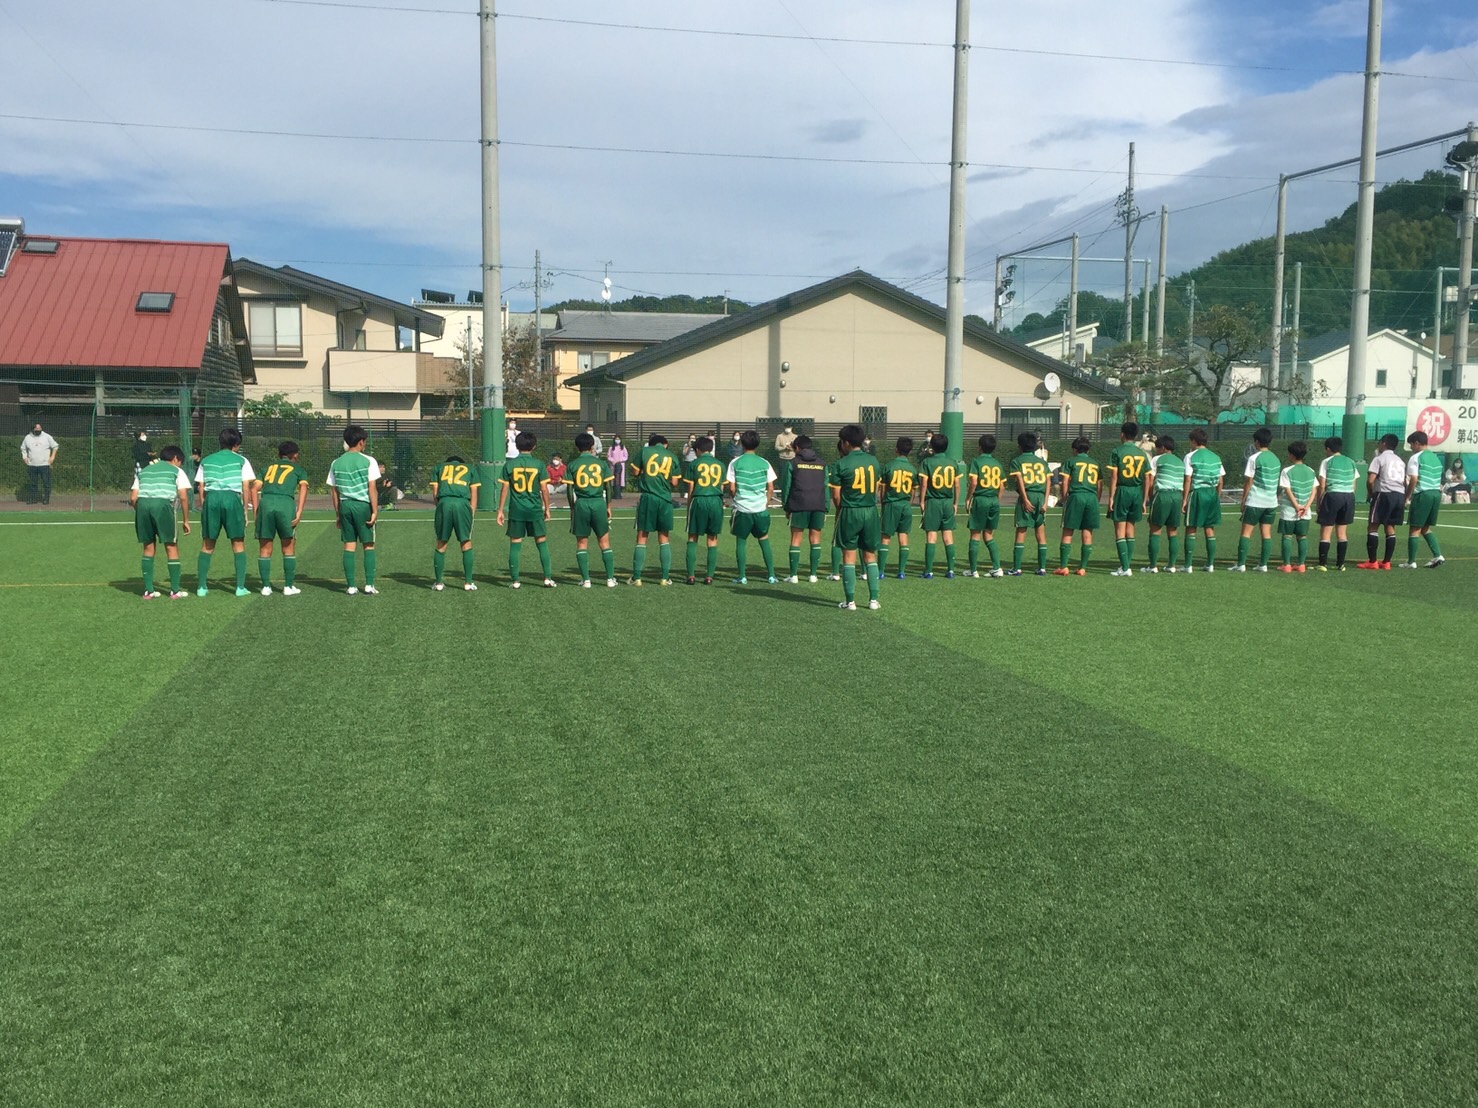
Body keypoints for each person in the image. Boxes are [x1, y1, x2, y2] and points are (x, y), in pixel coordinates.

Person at [194, 426, 256, 597]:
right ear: (236, 444)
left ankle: (201, 587)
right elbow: (245, 486)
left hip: (211, 499)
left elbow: (201, 486)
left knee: (207, 543)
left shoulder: (206, 460)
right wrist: (245, 509)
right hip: (231, 498)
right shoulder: (241, 460)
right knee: (238, 542)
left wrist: (205, 505)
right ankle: (240, 587)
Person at [827, 424, 883, 610]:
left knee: (849, 555)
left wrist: (841, 511)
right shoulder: (874, 461)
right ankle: (873, 600)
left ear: (846, 443)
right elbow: (876, 487)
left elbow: (836, 496)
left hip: (850, 511)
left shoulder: (840, 464)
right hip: (870, 510)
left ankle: (850, 601)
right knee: (870, 555)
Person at [130, 444, 192, 599]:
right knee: (171, 546)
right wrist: (186, 520)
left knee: (148, 547)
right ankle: (175, 591)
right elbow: (183, 496)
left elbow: (133, 498)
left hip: (143, 505)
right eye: (180, 462)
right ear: (176, 458)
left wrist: (142, 511)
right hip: (163, 505)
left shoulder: (144, 471)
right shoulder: (176, 471)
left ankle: (149, 591)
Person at [497, 430, 555, 588]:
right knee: (541, 542)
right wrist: (547, 508)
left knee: (515, 543)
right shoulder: (539, 464)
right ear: (534, 446)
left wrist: (500, 510)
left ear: (516, 446)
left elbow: (504, 489)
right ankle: (547, 578)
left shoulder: (510, 464)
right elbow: (544, 489)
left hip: (517, 509)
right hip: (534, 508)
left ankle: (515, 581)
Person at [327, 424, 381, 595]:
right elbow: (372, 487)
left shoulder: (336, 462)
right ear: (361, 442)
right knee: (368, 545)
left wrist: (338, 514)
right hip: (362, 505)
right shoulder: (369, 460)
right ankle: (369, 585)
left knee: (349, 546)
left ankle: (351, 586)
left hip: (345, 506)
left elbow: (334, 490)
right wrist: (374, 511)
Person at [253, 441, 309, 596]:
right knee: (288, 546)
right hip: (285, 504)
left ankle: (265, 587)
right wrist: (299, 511)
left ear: (279, 454)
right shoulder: (299, 469)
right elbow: (303, 487)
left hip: (266, 504)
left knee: (265, 548)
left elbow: (254, 488)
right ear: (295, 455)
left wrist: (256, 511)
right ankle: (288, 587)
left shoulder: (267, 468)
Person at [725, 429, 778, 585]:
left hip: (742, 509)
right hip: (760, 509)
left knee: (741, 541)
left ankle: (742, 576)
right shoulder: (765, 463)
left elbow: (732, 488)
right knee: (764, 540)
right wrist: (766, 502)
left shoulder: (735, 462)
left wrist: (736, 498)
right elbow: (770, 487)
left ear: (742, 443)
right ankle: (771, 575)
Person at [629, 433, 681, 585]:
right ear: (665, 444)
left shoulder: (644, 451)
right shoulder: (672, 456)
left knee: (642, 536)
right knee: (664, 537)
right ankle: (665, 578)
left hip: (648, 497)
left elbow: (635, 472)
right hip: (665, 499)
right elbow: (675, 482)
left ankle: (637, 577)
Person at [568, 432, 618, 587]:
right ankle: (610, 579)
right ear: (592, 447)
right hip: (598, 503)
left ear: (577, 447)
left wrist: (572, 508)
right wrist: (608, 505)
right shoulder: (601, 464)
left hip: (581, 504)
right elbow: (608, 487)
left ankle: (586, 580)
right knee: (604, 542)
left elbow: (569, 490)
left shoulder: (573, 465)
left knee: (582, 543)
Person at [429, 453, 480, 591]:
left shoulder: (439, 467)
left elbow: (435, 492)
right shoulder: (470, 468)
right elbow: (474, 492)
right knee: (466, 542)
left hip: (444, 502)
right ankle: (468, 583)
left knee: (441, 543)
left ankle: (438, 583)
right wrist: (472, 511)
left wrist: (440, 506)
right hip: (462, 504)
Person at [780, 434, 827, 583]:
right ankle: (813, 575)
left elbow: (786, 487)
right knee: (815, 539)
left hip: (798, 504)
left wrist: (786, 506)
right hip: (818, 505)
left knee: (796, 538)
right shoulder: (822, 464)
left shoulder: (793, 463)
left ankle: (793, 576)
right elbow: (826, 487)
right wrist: (825, 507)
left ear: (797, 448)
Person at [1232, 427, 1280, 572]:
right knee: (1266, 533)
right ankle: (1263, 565)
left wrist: (1243, 500)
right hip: (1271, 502)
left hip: (1255, 501)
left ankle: (1241, 564)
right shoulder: (1276, 459)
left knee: (1246, 533)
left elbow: (1249, 481)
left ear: (1257, 442)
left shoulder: (1254, 458)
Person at [1106, 420, 1149, 574]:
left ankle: (1125, 568)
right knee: (1131, 530)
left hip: (1123, 491)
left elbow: (1114, 476)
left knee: (1120, 530)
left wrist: (1111, 497)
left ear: (1122, 434)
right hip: (1137, 492)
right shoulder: (1142, 453)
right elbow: (1147, 477)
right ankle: (1126, 565)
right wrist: (1144, 499)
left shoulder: (1117, 451)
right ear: (1136, 436)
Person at [1054, 437, 1101, 576]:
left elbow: (1065, 481)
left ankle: (1063, 566)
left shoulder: (1070, 461)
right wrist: (1096, 499)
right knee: (1087, 531)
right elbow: (1099, 484)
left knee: (1068, 530)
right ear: (1088, 450)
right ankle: (1082, 568)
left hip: (1076, 496)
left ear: (1074, 449)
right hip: (1091, 497)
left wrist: (1064, 498)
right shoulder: (1095, 463)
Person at [1359, 433, 1406, 570]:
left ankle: (1372, 561)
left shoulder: (1379, 458)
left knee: (1373, 526)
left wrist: (1371, 493)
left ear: (1384, 443)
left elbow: (1370, 480)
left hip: (1384, 493)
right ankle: (1386, 562)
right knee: (1390, 527)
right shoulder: (1400, 461)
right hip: (1399, 495)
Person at [682, 435, 725, 584]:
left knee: (692, 537)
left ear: (698, 450)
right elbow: (722, 487)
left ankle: (691, 576)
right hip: (715, 500)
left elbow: (691, 488)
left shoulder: (694, 464)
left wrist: (689, 506)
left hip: (699, 499)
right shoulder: (720, 464)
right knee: (712, 538)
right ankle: (709, 577)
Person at [1181, 427, 1224, 572]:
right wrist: (1217, 496)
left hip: (1197, 493)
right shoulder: (1216, 457)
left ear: (1194, 441)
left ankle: (1188, 565)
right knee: (1209, 528)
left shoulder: (1190, 456)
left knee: (1191, 527)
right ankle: (1210, 564)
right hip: (1212, 493)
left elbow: (1188, 479)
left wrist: (1184, 499)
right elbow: (1221, 480)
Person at [919, 433, 961, 579]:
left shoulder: (927, 462)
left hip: (933, 501)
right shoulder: (953, 463)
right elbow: (957, 485)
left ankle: (929, 571)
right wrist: (955, 503)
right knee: (948, 536)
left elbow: (924, 484)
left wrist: (921, 501)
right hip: (948, 502)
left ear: (932, 446)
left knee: (931, 536)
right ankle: (951, 570)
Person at [1008, 431, 1050, 576]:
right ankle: (1042, 568)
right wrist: (1045, 502)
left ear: (1020, 446)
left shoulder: (1017, 461)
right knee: (1040, 532)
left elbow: (1019, 480)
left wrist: (1025, 499)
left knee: (1021, 530)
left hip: (1027, 494)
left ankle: (1017, 568)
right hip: (1040, 497)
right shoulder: (1042, 462)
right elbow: (1048, 480)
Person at [1315, 436, 1358, 571]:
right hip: (1349, 496)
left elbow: (1322, 484)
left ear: (1328, 449)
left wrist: (1319, 501)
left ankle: (1322, 564)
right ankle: (1340, 564)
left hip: (1333, 495)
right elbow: (1354, 483)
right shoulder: (1351, 461)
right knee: (1342, 532)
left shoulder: (1327, 461)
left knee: (1326, 531)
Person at [965, 434, 1005, 578]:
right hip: (993, 500)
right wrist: (996, 500)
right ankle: (997, 567)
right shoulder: (997, 463)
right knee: (988, 534)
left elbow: (974, 482)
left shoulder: (977, 462)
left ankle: (973, 570)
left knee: (975, 534)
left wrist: (968, 498)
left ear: (980, 447)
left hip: (980, 500)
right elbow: (1002, 486)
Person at [1403, 430, 1444, 569]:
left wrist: (1407, 497)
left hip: (1423, 494)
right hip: (1436, 494)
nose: (1411, 448)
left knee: (1414, 528)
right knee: (1425, 527)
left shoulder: (1416, 458)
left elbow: (1414, 479)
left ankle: (1411, 562)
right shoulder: (1435, 458)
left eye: (1411, 445)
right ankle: (1438, 555)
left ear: (1417, 443)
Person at [879, 437, 919, 579]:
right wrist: (909, 503)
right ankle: (901, 572)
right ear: (910, 452)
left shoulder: (889, 466)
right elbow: (913, 490)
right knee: (903, 537)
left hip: (891, 504)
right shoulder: (912, 469)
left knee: (885, 537)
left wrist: (883, 504)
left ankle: (881, 571)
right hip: (905, 505)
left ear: (896, 449)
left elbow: (883, 489)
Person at [1144, 435, 1184, 573]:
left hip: (1163, 495)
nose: (1156, 450)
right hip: (1177, 496)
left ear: (1163, 447)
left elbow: (1150, 479)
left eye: (1157, 448)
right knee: (1173, 531)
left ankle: (1152, 566)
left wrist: (1149, 498)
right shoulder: (1180, 461)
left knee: (1155, 529)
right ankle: (1171, 566)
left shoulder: (1157, 459)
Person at [1276, 440, 1317, 573]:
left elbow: (1287, 490)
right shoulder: (1311, 471)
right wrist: (1305, 507)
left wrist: (1296, 506)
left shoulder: (1287, 471)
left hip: (1289, 509)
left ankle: (1287, 565)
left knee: (1287, 536)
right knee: (1302, 536)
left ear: (1292, 455)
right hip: (1305, 511)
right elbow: (1314, 491)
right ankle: (1301, 565)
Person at [21, 422, 58, 505]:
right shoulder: (28, 437)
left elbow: (55, 446)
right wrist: (25, 457)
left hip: (44, 465)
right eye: (37, 428)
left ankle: (46, 499)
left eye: (40, 428)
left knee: (46, 483)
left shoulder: (47, 437)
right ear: (33, 429)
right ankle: (33, 499)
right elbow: (23, 448)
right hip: (32, 465)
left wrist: (52, 457)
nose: (38, 430)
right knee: (33, 483)